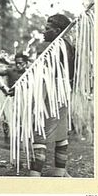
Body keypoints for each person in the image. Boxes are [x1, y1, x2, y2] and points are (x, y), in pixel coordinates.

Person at [29, 14, 75, 177]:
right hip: (64, 92)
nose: (43, 31)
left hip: (49, 92)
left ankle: (35, 175)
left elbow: (38, 73)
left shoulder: (48, 47)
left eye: (47, 29)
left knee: (40, 133)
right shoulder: (69, 46)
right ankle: (60, 171)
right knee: (61, 133)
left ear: (57, 31)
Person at [0, 52, 29, 139]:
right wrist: (4, 88)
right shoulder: (11, 71)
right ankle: (8, 136)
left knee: (23, 120)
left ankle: (21, 137)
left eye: (20, 63)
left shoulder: (30, 73)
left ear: (26, 63)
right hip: (11, 99)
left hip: (24, 100)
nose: (18, 65)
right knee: (8, 119)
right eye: (16, 63)